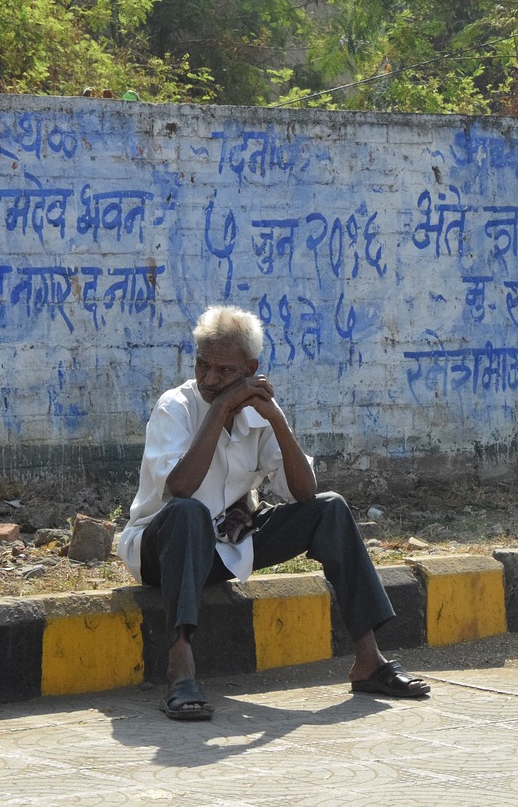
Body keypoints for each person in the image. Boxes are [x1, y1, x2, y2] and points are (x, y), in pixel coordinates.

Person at [118, 305, 430, 721]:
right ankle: (181, 669)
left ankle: (368, 661)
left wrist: (277, 419)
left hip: (226, 545)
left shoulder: (257, 415)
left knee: (329, 509)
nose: (210, 379)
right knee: (188, 511)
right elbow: (179, 487)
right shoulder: (175, 406)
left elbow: (303, 491)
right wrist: (219, 409)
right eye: (202, 366)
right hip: (163, 549)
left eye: (225, 372)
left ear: (250, 370)